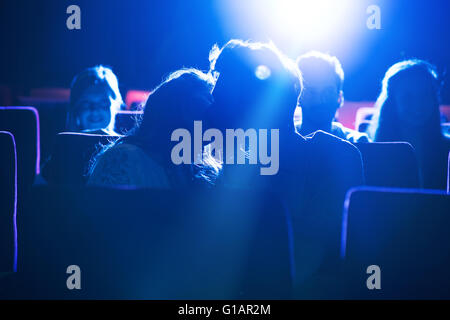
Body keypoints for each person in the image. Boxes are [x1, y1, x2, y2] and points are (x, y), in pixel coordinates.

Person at [207, 40, 364, 294]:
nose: (211, 108)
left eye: (221, 97)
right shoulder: (221, 164)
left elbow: (303, 263)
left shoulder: (333, 157)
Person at [88, 68, 219, 188]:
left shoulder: (191, 169)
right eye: (208, 99)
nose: (213, 108)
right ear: (177, 107)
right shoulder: (123, 159)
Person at [368, 59, 450, 190]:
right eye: (408, 97)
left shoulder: (448, 150)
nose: (418, 105)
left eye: (425, 95)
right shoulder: (372, 153)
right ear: (392, 103)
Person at [295, 51, 369, 143]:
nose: (320, 100)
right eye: (311, 92)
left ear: (340, 98)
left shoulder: (359, 142)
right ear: (298, 97)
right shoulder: (276, 142)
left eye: (328, 92)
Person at [66, 65, 123, 134]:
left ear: (116, 105)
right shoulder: (62, 144)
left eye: (103, 103)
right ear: (75, 108)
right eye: (86, 104)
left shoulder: (126, 144)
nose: (94, 110)